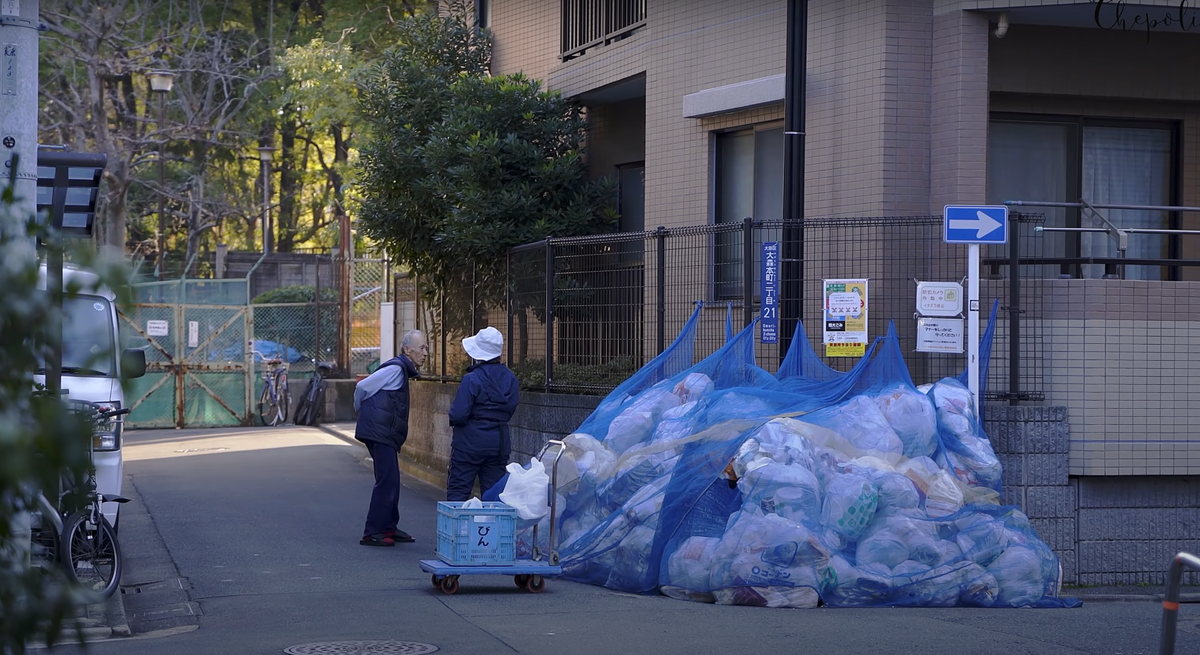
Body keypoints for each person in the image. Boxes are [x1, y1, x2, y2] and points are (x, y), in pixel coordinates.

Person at [354, 329, 428, 547]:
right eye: (421, 348)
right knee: (387, 480)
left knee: (391, 479)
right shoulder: (396, 368)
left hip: (383, 431)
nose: (425, 353)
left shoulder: (401, 369)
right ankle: (373, 531)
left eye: (426, 348)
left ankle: (388, 526)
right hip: (380, 431)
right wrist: (357, 409)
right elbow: (362, 387)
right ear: (407, 349)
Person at [446, 326, 520, 502]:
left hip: (468, 445)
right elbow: (510, 409)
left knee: (459, 492)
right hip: (498, 444)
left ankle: (458, 530)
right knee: (493, 496)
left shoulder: (472, 379)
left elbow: (458, 414)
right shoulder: (511, 379)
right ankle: (490, 530)